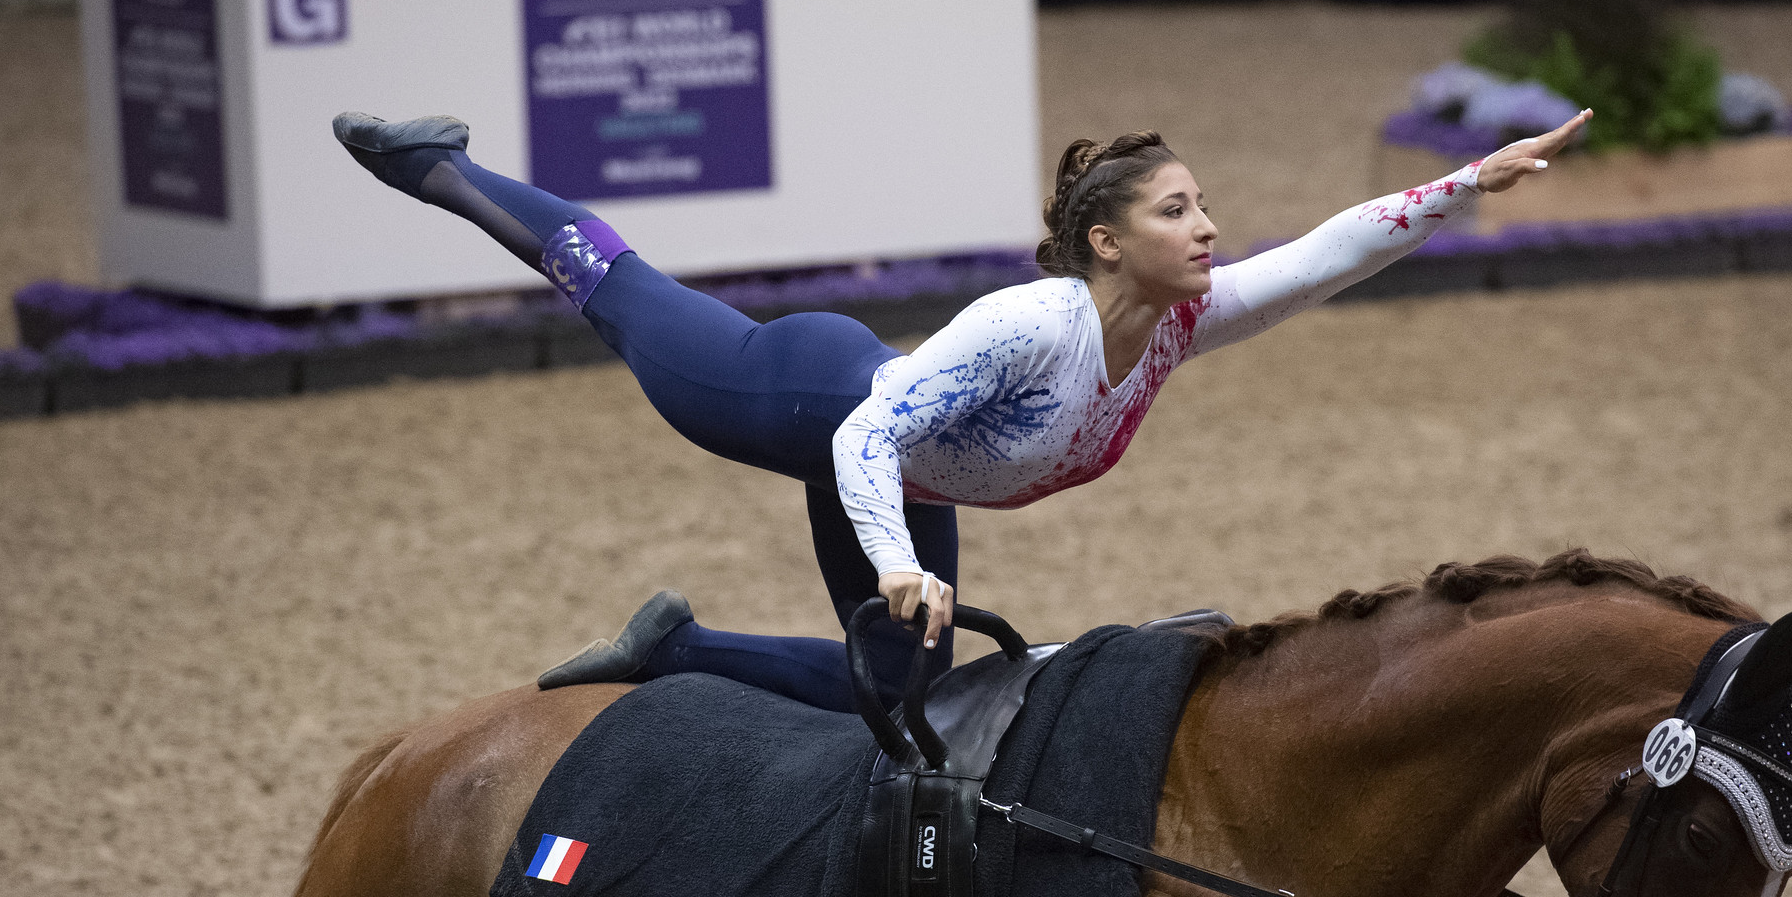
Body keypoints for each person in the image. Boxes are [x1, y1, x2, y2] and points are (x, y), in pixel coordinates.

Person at [330, 106, 1590, 711]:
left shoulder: (1177, 325)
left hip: (902, 468)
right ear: (1103, 240)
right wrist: (895, 564)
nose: (1206, 228)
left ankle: (675, 651)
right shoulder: (1028, 323)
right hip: (802, 397)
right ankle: (434, 169)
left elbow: (1328, 250)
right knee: (618, 291)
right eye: (1174, 211)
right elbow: (864, 437)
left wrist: (1469, 181)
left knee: (906, 695)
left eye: (1203, 207)